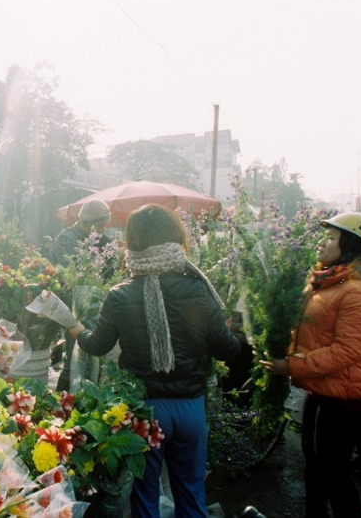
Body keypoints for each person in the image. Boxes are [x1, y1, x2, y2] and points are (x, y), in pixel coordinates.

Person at [67, 204, 244, 518]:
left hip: (145, 411)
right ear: (176, 238)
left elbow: (97, 345)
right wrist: (233, 331)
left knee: (145, 499)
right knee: (191, 496)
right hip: (190, 407)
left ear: (131, 243)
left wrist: (76, 329)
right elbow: (226, 350)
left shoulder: (120, 295)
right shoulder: (199, 289)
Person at [260, 211, 361, 518]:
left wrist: (292, 366)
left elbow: (347, 350)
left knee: (334, 473)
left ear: (351, 245)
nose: (322, 243)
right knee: (315, 467)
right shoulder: (332, 282)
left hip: (347, 400)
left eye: (331, 238)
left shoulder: (359, 292)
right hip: (324, 391)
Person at [49, 198, 112, 266]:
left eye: (104, 225)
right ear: (88, 223)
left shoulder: (101, 238)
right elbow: (80, 270)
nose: (103, 230)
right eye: (100, 225)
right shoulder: (65, 240)